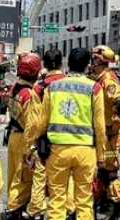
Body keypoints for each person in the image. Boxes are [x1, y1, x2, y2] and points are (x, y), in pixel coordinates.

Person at [31, 48, 106, 220]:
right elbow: (99, 126)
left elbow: (42, 122)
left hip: (57, 151)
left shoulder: (53, 87)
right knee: (84, 200)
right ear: (87, 66)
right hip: (85, 151)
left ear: (68, 64)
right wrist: (101, 156)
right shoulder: (94, 88)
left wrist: (37, 145)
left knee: (56, 199)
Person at [27, 49, 71, 219]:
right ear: (62, 63)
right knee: (67, 178)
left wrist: (31, 144)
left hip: (45, 139)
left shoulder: (39, 87)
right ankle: (68, 209)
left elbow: (34, 119)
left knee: (40, 176)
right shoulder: (70, 83)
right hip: (68, 138)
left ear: (44, 65)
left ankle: (36, 211)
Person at [90, 46, 120, 219]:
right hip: (105, 133)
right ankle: (105, 201)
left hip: (110, 133)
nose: (91, 63)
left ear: (99, 61)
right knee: (102, 170)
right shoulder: (99, 78)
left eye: (93, 60)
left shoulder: (108, 79)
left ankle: (116, 205)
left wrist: (114, 127)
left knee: (110, 171)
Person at [4, 52, 44, 219]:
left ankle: (13, 207)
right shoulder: (28, 94)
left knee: (14, 174)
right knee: (23, 177)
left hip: (13, 135)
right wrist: (33, 147)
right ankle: (15, 210)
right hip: (23, 138)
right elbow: (31, 124)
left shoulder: (15, 89)